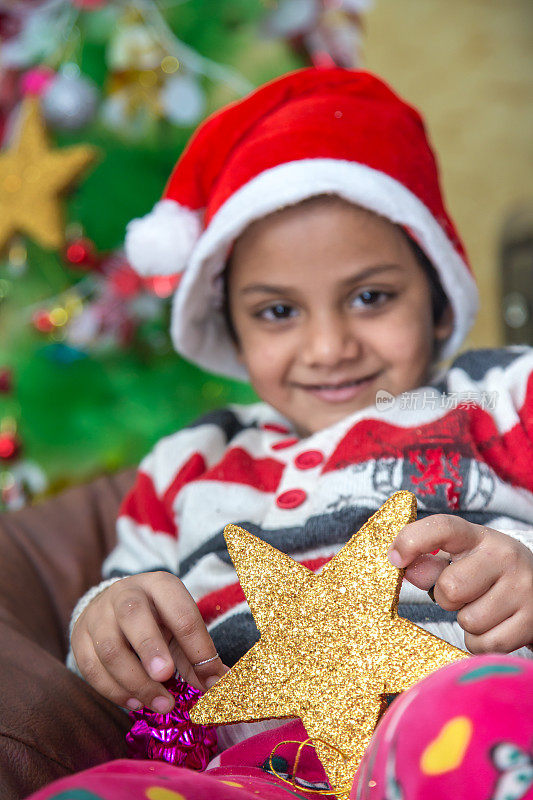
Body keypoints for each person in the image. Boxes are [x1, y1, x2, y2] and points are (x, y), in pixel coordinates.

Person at [35, 67, 533, 798]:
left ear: (435, 297)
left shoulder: (497, 398)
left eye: (370, 297)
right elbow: (110, 636)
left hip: (466, 728)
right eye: (277, 312)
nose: (328, 346)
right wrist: (109, 618)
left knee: (475, 733)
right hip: (257, 773)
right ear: (229, 328)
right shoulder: (189, 463)